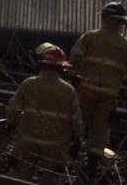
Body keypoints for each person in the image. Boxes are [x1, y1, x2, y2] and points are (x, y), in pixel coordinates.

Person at [7, 43, 83, 184]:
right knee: (51, 179)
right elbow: (76, 119)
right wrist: (78, 139)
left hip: (27, 140)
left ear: (42, 65)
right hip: (55, 146)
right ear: (61, 67)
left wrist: (10, 125)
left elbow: (13, 108)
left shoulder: (28, 84)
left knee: (21, 178)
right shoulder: (68, 90)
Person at [70, 1, 127, 174]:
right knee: (100, 127)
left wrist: (74, 79)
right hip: (108, 94)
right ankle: (92, 165)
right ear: (120, 23)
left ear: (104, 18)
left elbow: (75, 58)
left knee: (79, 121)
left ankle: (71, 154)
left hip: (86, 88)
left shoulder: (90, 37)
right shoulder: (125, 44)